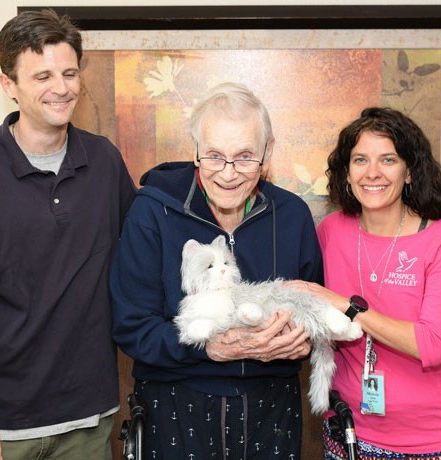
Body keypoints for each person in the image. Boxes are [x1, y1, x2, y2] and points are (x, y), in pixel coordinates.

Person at [0, 9, 135, 460]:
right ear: (8, 85)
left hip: (87, 422)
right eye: (43, 76)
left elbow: (143, 256)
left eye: (70, 72)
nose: (62, 88)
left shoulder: (105, 162)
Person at [110, 82, 322, 459]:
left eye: (244, 157)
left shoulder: (292, 216)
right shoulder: (152, 212)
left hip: (271, 407)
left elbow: (311, 308)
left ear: (268, 152)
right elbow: (131, 326)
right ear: (195, 151)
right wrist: (208, 348)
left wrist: (302, 340)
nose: (228, 174)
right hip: (176, 404)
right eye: (213, 156)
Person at [288, 107, 441, 459]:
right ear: (347, 173)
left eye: (388, 160)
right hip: (346, 432)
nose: (372, 173)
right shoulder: (330, 232)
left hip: (427, 443)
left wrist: (347, 306)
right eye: (360, 159)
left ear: (409, 171)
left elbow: (432, 344)